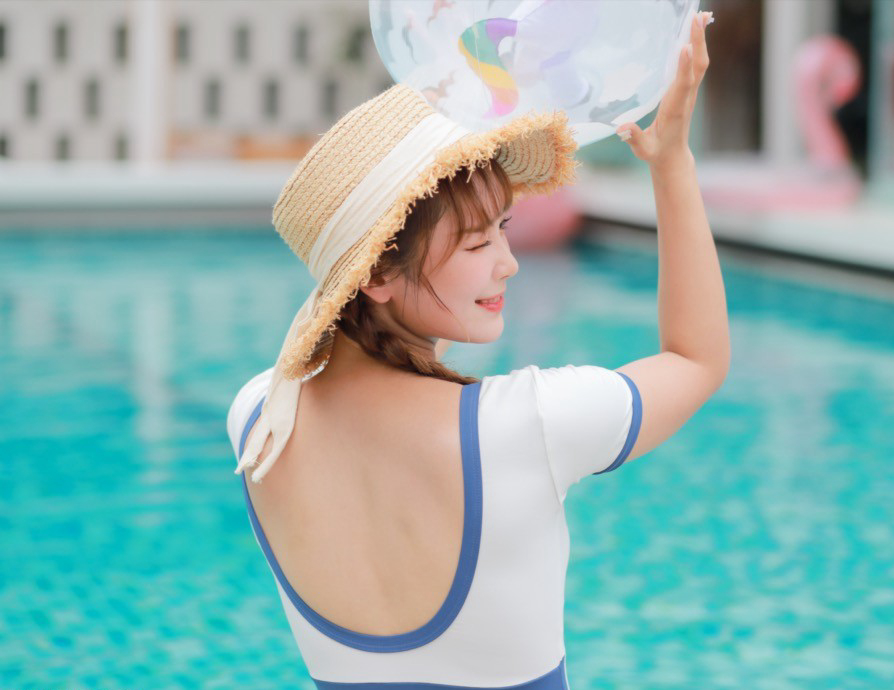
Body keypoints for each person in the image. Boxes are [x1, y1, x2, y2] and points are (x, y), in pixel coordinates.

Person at [225, 10, 726, 689]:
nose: (509, 264)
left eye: (504, 229)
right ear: (374, 275)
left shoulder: (257, 420)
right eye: (478, 241)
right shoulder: (527, 427)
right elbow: (697, 360)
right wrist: (672, 162)